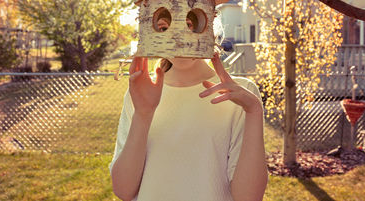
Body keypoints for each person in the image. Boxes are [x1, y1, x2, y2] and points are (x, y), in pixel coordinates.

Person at [109, 51, 268, 201]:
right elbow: (124, 190)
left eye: (190, 24)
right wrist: (143, 114)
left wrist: (254, 111)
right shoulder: (140, 91)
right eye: (164, 27)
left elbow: (248, 197)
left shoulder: (240, 94)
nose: (178, 36)